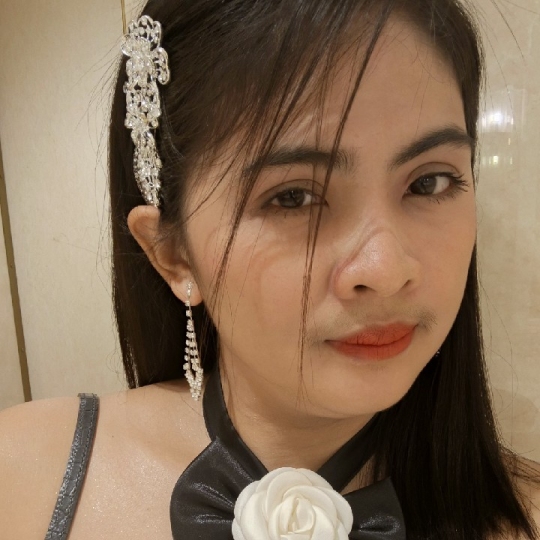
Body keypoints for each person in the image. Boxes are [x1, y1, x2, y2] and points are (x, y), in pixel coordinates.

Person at [1, 0, 540, 538]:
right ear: (173, 253)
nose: (385, 270)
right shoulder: (22, 473)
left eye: (429, 183)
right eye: (294, 197)